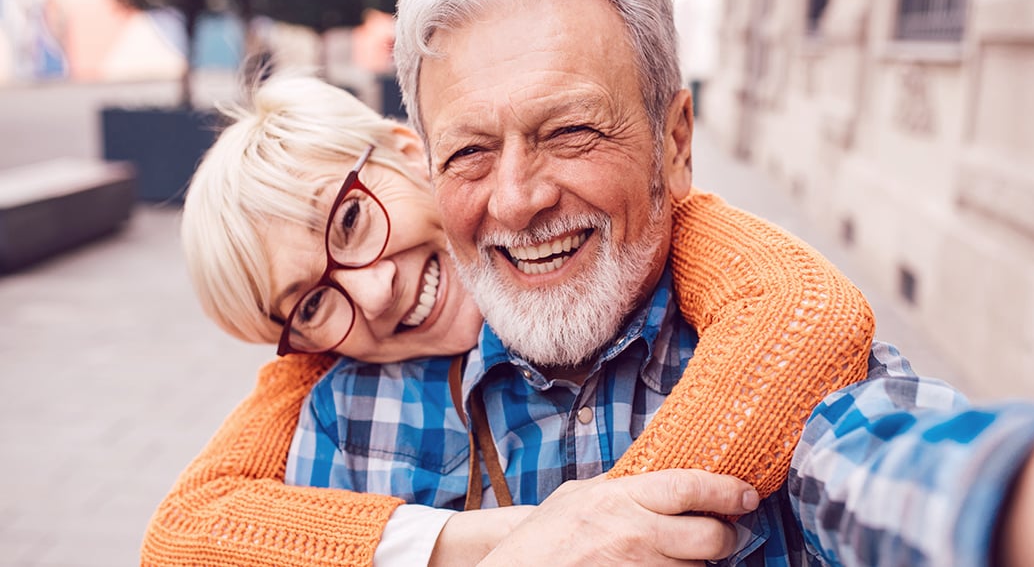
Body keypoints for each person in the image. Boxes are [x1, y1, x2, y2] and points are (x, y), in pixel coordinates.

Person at [141, 71, 874, 565]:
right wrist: (512, 543)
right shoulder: (333, 393)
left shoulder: (675, 243)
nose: (372, 293)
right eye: (309, 303)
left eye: (353, 220)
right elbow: (182, 536)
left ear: (406, 150)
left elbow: (803, 310)